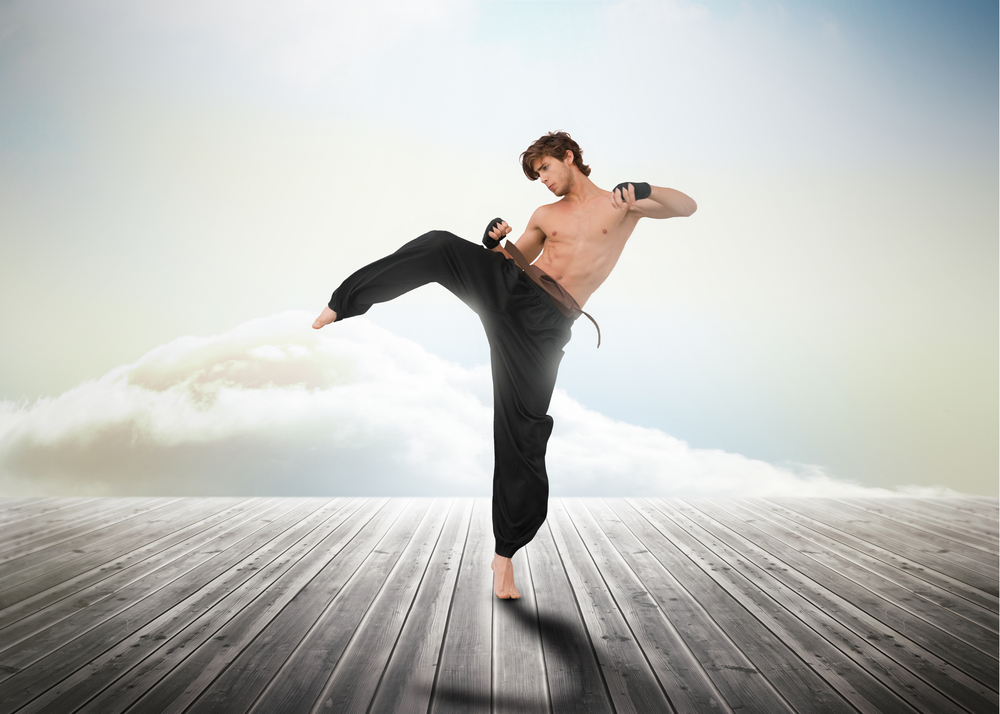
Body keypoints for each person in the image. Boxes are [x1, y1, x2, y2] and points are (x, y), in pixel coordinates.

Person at [313, 131, 696, 599]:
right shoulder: (544, 215)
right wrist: (492, 241)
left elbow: (686, 207)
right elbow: (510, 258)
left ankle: (504, 557)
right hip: (511, 288)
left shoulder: (619, 206)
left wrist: (644, 190)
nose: (544, 181)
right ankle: (344, 302)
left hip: (546, 325)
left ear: (569, 158)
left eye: (546, 170)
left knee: (522, 432)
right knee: (438, 246)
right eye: (537, 176)